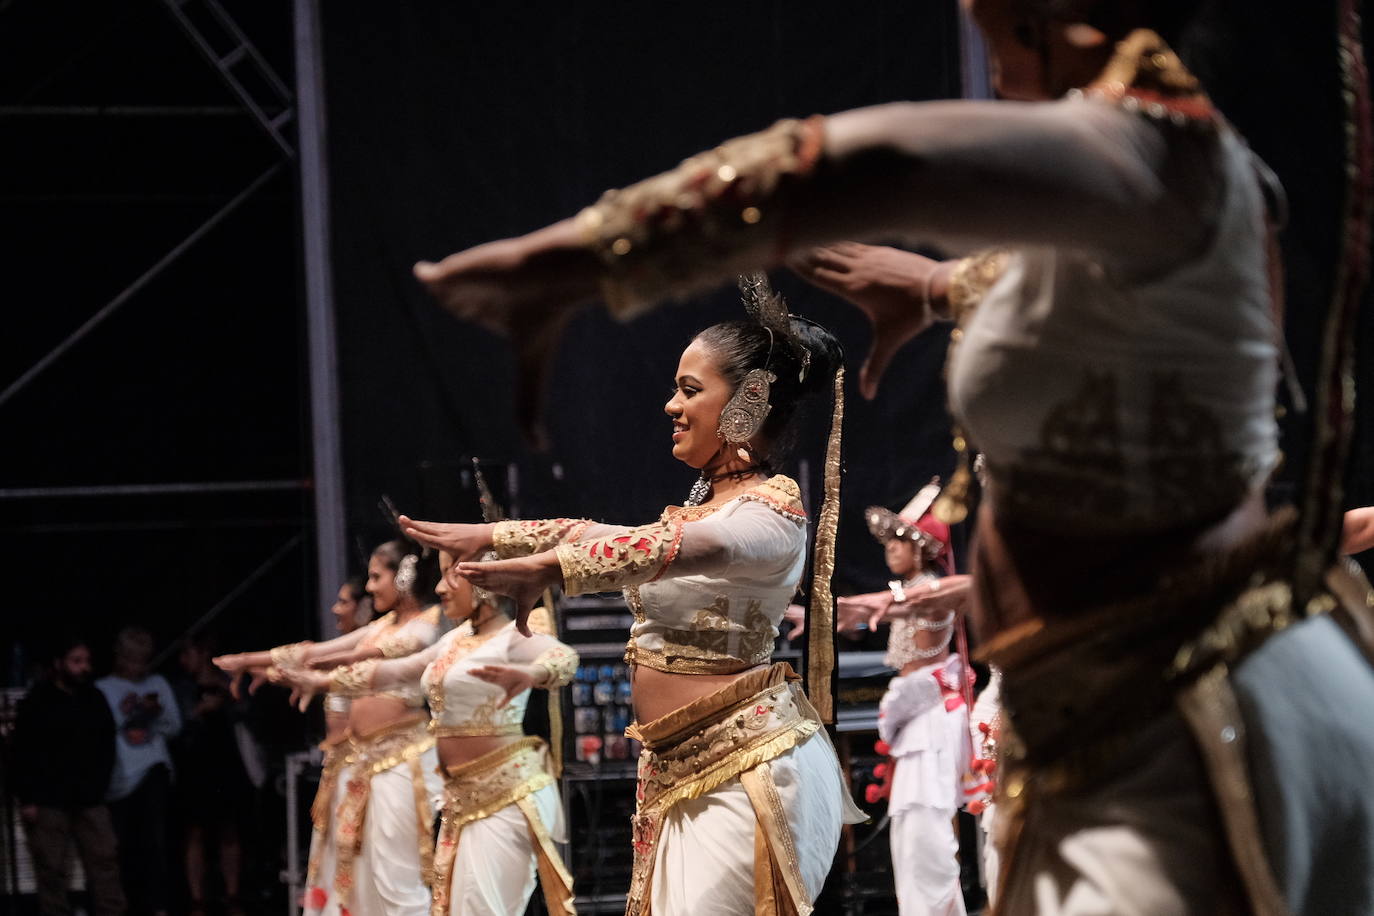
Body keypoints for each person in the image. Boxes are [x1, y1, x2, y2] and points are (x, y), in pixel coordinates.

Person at [406, 1, 1374, 911]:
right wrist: (921, 285)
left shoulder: (1146, 146)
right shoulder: (1151, 194)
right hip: (1143, 694)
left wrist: (577, 264)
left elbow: (854, 161)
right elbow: (996, 275)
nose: (972, 24)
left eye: (991, 11)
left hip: (1185, 702)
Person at [403, 287, 865, 916]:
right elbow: (614, 536)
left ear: (749, 401)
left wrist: (551, 567)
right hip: (679, 768)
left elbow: (673, 546)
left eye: (690, 389)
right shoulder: (707, 507)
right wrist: (495, 535)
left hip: (747, 766)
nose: (671, 405)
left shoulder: (771, 513)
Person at [281, 550, 579, 915]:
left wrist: (532, 675)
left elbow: (562, 658)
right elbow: (394, 672)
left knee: (483, 909)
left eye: (451, 576)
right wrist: (321, 681)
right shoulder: (454, 641)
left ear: (483, 581)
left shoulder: (514, 633)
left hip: (505, 796)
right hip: (460, 800)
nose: (439, 588)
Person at [216, 541, 444, 916]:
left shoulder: (427, 627)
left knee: (393, 867)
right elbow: (315, 650)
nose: (369, 588)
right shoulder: (383, 625)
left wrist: (301, 672)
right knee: (351, 863)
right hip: (359, 759)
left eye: (376, 577)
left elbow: (355, 658)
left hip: (402, 760)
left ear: (403, 578)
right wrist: (249, 661)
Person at [843, 484, 971, 916]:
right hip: (914, 720)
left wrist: (859, 605)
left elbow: (914, 608)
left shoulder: (932, 594)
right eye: (890, 540)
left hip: (928, 720)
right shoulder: (912, 593)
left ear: (921, 548)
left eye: (901, 540)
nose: (890, 549)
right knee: (911, 835)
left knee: (925, 833)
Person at [11, 638, 126, 916]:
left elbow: (106, 744)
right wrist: (28, 797)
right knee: (51, 867)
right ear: (59, 664)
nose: (83, 668)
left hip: (89, 796)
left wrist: (100, 785)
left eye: (86, 661)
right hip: (50, 798)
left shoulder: (93, 698)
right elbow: (22, 752)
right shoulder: (38, 700)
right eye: (76, 661)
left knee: (104, 861)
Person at [97, 627, 181, 916]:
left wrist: (152, 716)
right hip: (120, 776)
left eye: (144, 660)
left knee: (153, 843)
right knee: (123, 845)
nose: (139, 667)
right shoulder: (104, 688)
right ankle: (126, 904)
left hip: (153, 769)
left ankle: (157, 904)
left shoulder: (157, 682)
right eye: (134, 659)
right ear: (121, 657)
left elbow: (174, 725)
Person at [174, 635, 255, 916]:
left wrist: (224, 692)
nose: (183, 662)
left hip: (226, 762)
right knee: (194, 830)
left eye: (188, 654)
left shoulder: (227, 680)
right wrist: (199, 711)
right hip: (195, 764)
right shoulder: (183, 687)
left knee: (229, 829)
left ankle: (232, 895)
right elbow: (176, 725)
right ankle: (198, 900)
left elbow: (247, 709)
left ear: (202, 652)